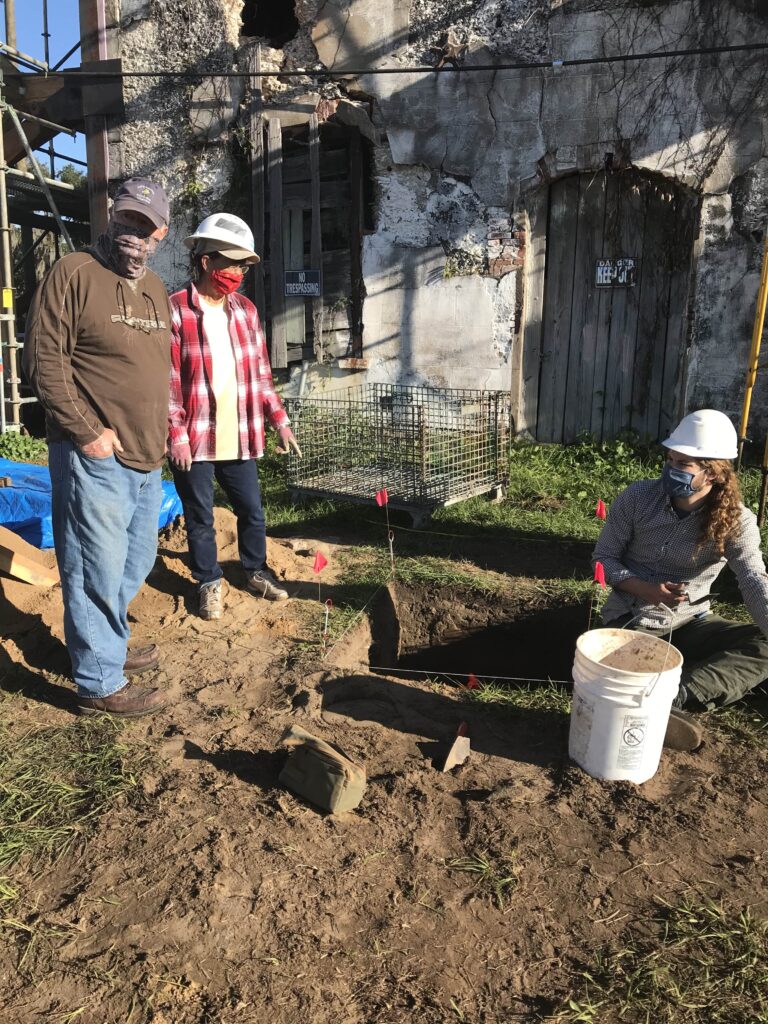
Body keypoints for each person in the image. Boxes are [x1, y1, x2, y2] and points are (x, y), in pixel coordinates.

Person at [23, 177, 172, 718]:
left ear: (162, 232)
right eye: (127, 220)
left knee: (136, 559)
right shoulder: (74, 273)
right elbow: (44, 365)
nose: (135, 234)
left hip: (147, 454)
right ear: (113, 217)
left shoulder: (155, 287)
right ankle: (98, 684)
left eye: (146, 226)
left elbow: (157, 367)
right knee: (92, 567)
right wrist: (87, 432)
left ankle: (103, 647)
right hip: (94, 455)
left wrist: (168, 423)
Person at [593, 409, 768, 751]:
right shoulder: (638, 498)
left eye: (684, 464)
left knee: (764, 646)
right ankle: (686, 687)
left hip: (692, 622)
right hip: (633, 621)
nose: (671, 469)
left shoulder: (737, 521)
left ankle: (674, 697)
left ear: (714, 472)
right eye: (671, 458)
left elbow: (752, 579)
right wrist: (644, 588)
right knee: (625, 667)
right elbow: (604, 559)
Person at [167, 213, 301, 621]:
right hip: (195, 436)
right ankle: (208, 581)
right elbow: (167, 382)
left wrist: (279, 420)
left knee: (252, 510)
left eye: (245, 265)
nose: (239, 273)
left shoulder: (245, 310)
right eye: (233, 263)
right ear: (207, 261)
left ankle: (254, 570)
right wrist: (175, 434)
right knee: (200, 517)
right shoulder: (176, 311)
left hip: (239, 433)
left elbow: (260, 372)